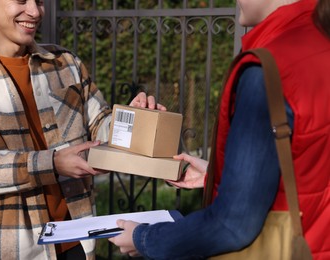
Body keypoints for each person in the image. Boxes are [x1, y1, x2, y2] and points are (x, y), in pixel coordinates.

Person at [0, 0, 165, 259]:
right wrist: (52, 164)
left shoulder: (65, 62)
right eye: (22, 1)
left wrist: (134, 123)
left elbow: (100, 124)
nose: (35, 12)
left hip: (78, 241)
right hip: (9, 249)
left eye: (40, 1)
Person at [109, 0, 330, 259]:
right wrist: (219, 176)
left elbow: (233, 225)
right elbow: (310, 165)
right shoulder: (321, 43)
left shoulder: (268, 71)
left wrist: (144, 238)